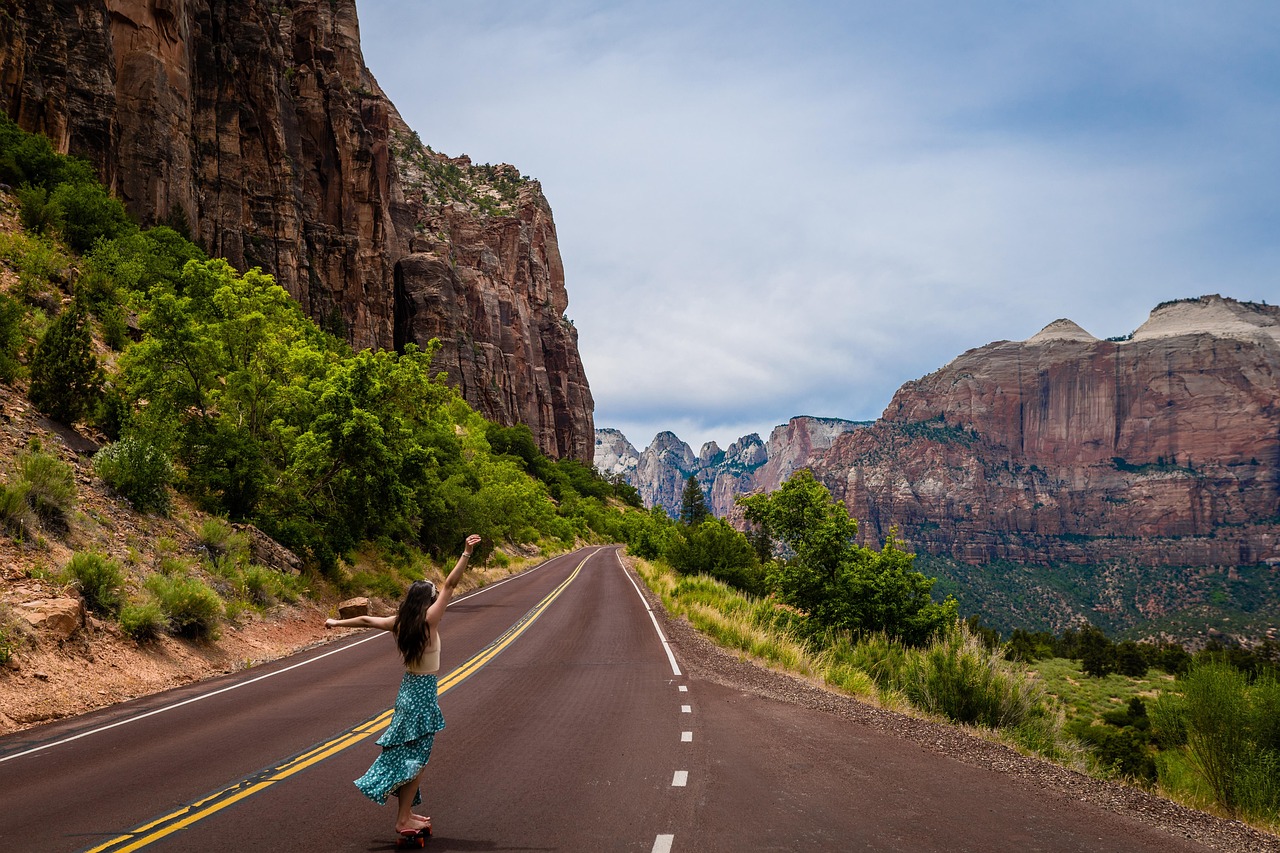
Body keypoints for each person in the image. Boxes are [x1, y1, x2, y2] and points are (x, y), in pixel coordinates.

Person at [325, 534, 483, 838]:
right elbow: (450, 585)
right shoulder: (429, 621)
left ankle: (407, 813)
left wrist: (336, 624)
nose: (439, 595)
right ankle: (402, 820)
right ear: (426, 601)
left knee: (411, 758)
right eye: (433, 594)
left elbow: (368, 621)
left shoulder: (401, 622)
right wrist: (465, 553)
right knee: (417, 760)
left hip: (407, 692)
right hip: (422, 696)